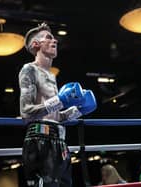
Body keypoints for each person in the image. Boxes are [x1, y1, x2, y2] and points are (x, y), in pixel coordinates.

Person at [19, 22, 97, 187]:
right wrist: (60, 100)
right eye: (48, 38)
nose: (54, 41)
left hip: (59, 140)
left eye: (54, 38)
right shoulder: (29, 70)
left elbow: (54, 116)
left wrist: (77, 111)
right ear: (36, 44)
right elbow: (26, 112)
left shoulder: (51, 76)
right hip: (39, 141)